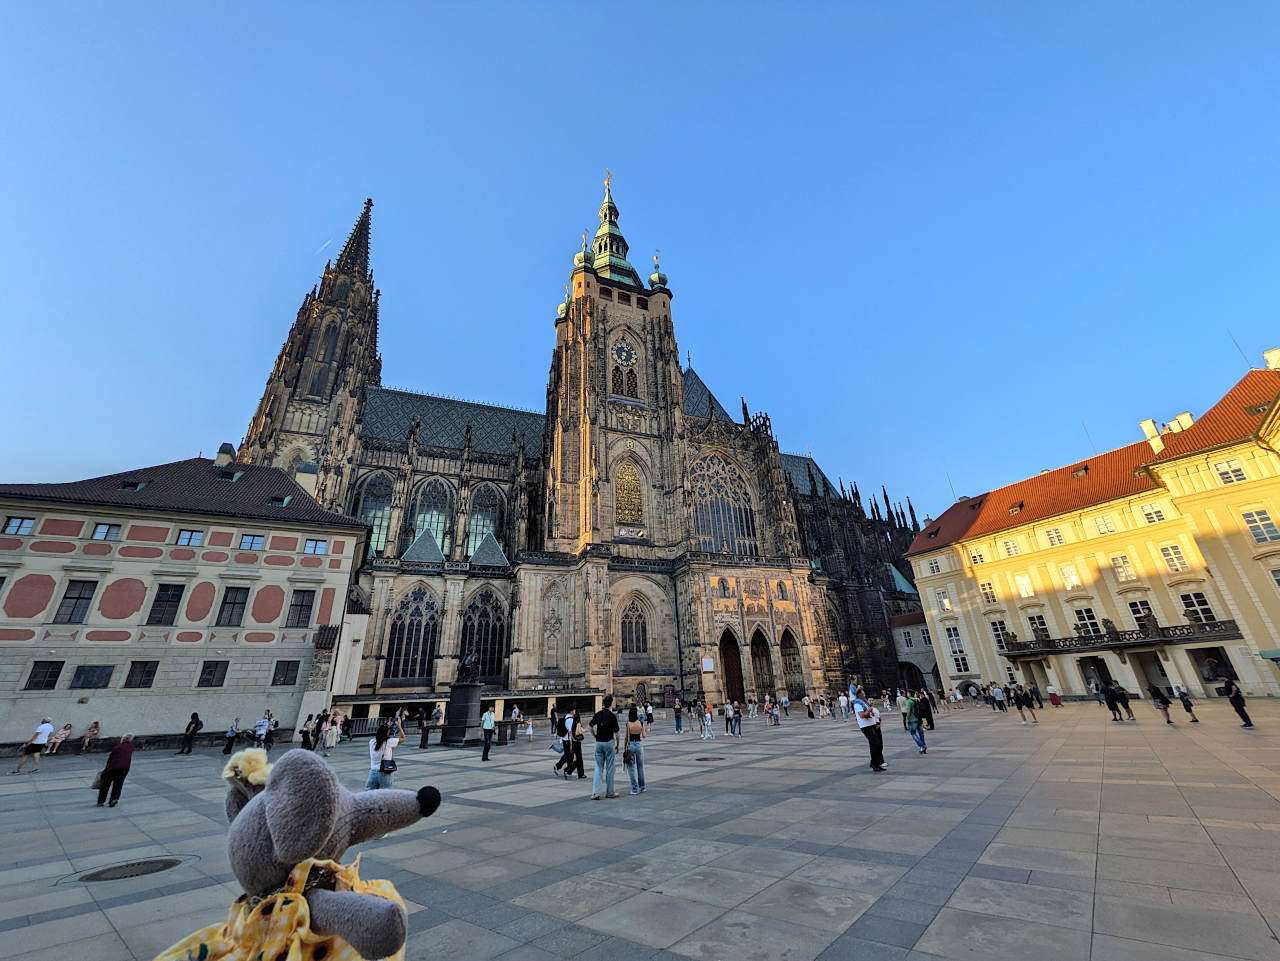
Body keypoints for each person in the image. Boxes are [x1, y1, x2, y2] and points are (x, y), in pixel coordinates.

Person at [590, 695, 621, 800]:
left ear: (603, 703)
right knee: (610, 768)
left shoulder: (598, 714)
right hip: (609, 743)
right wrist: (617, 744)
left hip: (599, 743)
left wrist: (595, 736)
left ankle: (595, 792)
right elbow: (617, 733)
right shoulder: (612, 716)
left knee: (598, 768)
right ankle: (610, 792)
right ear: (611, 703)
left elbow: (590, 726)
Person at [852, 687, 886, 772]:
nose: (865, 695)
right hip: (866, 726)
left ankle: (876, 763)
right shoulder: (857, 704)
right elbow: (862, 715)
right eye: (863, 694)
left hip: (872, 724)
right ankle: (874, 764)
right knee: (874, 744)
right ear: (860, 695)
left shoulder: (864, 703)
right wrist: (870, 710)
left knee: (877, 744)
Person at [96, 733, 134, 807]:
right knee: (118, 784)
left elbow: (111, 759)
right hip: (124, 768)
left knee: (106, 785)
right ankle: (114, 799)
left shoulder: (117, 747)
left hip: (113, 768)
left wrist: (106, 769)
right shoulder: (131, 747)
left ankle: (101, 801)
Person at [366, 722, 400, 789]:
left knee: (370, 794)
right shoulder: (389, 742)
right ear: (386, 733)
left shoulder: (372, 741)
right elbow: (403, 738)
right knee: (385, 795)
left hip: (373, 771)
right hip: (385, 772)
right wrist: (399, 726)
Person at [624, 706, 647, 795]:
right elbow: (644, 735)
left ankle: (634, 788)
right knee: (640, 767)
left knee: (631, 768)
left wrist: (624, 746)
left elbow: (626, 737)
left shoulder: (628, 724)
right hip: (639, 744)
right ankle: (642, 786)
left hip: (631, 745)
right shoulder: (640, 723)